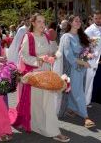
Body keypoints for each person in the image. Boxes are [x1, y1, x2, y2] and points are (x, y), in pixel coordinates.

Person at [12, 13, 70, 142]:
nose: (42, 24)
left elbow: (53, 52)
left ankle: (53, 131)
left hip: (47, 73)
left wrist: (54, 56)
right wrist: (38, 60)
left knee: (48, 103)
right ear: (33, 23)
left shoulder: (46, 36)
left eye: (43, 22)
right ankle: (37, 126)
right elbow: (23, 56)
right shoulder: (29, 37)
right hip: (35, 75)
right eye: (39, 22)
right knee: (37, 103)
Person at [57, 15, 95, 128]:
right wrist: (82, 62)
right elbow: (68, 55)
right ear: (70, 23)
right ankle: (86, 117)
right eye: (76, 20)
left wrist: (89, 54)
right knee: (78, 91)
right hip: (73, 68)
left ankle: (72, 108)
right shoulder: (66, 37)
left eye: (79, 20)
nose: (78, 22)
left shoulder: (82, 36)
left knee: (78, 89)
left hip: (82, 68)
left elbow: (87, 50)